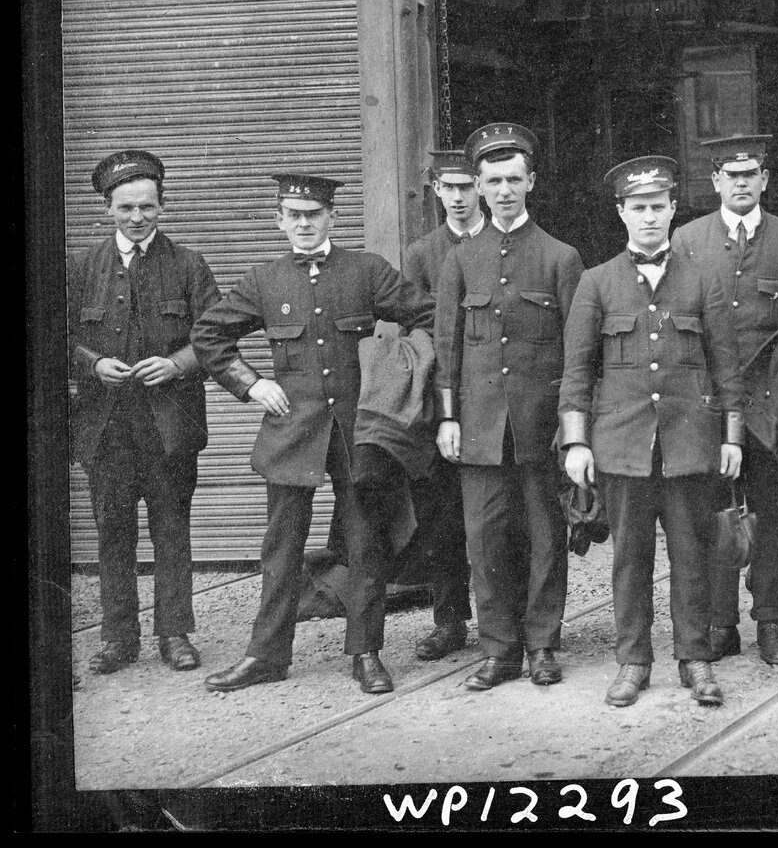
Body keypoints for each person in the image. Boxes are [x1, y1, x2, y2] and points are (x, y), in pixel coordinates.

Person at [194, 173, 434, 694]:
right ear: (279, 220)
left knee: (366, 541)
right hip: (292, 429)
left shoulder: (367, 271)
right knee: (282, 545)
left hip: (357, 430)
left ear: (332, 218)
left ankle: (366, 652)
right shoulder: (263, 279)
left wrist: (397, 380)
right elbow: (208, 334)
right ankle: (265, 655)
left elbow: (428, 318)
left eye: (314, 215)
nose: (304, 224)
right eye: (293, 215)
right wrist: (251, 384)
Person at [557, 156, 745, 708]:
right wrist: (576, 441)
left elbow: (726, 366)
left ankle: (696, 660)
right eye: (637, 209)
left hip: (688, 444)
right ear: (621, 214)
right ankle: (633, 661)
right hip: (622, 447)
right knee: (629, 560)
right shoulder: (596, 283)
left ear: (671, 211)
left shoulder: (704, 280)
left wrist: (731, 436)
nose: (648, 218)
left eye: (657, 208)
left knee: (692, 557)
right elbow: (577, 370)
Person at [434, 124, 584, 691]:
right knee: (485, 539)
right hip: (476, 428)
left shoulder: (559, 258)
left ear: (531, 184)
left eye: (513, 180)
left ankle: (543, 644)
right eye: (492, 181)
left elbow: (577, 352)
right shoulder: (461, 260)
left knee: (546, 538)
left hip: (538, 428)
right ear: (476, 185)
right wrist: (448, 416)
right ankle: (499, 650)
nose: (503, 191)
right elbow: (447, 345)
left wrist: (571, 430)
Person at [67, 150, 220, 675]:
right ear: (107, 208)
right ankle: (117, 638)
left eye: (148, 207)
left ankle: (175, 634)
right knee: (112, 532)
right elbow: (53, 338)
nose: (137, 218)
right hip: (103, 428)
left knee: (172, 529)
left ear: (162, 206)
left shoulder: (189, 265)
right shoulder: (80, 267)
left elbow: (216, 339)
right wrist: (92, 364)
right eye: (126, 207)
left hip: (168, 426)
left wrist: (178, 364)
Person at [671, 134, 778, 667]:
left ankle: (771, 623)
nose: (740, 183)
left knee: (772, 520)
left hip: (768, 408)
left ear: (765, 180)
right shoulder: (687, 240)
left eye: (750, 174)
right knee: (712, 519)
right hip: (706, 410)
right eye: (730, 176)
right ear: (714, 183)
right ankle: (720, 625)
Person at [397, 149, 481, 663]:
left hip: (494, 393)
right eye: (447, 188)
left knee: (499, 514)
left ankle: (506, 616)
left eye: (465, 187)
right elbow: (418, 326)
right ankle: (450, 621)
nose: (457, 197)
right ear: (434, 190)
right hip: (441, 399)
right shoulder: (422, 253)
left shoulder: (502, 244)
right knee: (442, 517)